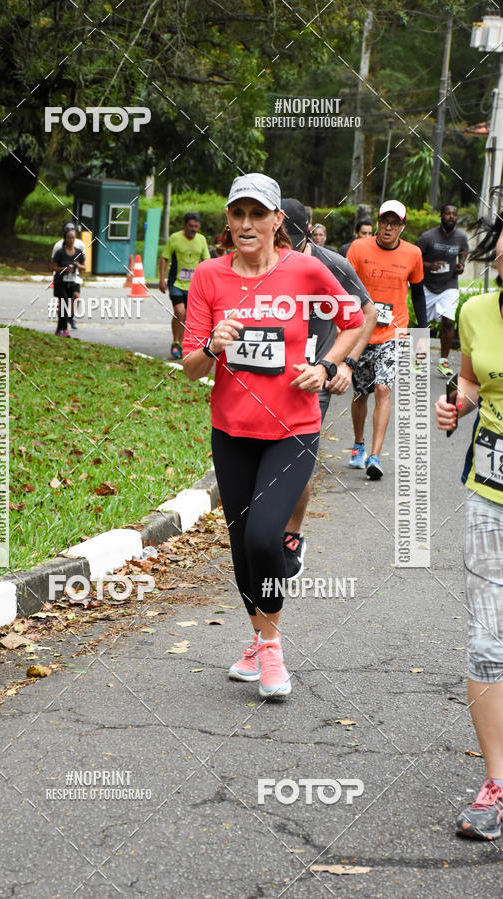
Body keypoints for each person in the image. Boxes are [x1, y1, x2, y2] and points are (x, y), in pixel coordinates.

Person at [182, 173, 364, 698]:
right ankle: (260, 642)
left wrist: (329, 365)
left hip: (293, 428)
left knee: (265, 535)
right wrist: (214, 344)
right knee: (243, 547)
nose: (246, 224)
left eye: (257, 215)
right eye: (237, 214)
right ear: (228, 220)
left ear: (276, 221)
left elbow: (356, 319)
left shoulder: (306, 269)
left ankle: (272, 647)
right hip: (232, 431)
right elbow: (192, 368)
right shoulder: (209, 278)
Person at [434, 210, 503, 840]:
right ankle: (496, 783)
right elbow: (471, 379)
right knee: (487, 641)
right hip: (490, 490)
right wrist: (456, 402)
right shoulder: (477, 310)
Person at [280, 198, 377, 577]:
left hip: (316, 377)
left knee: (299, 457)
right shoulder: (265, 261)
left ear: (307, 233)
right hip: (269, 376)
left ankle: (292, 534)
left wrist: (347, 364)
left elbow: (366, 314)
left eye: (287, 237)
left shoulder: (333, 265)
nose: (279, 246)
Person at [346, 199, 427, 479]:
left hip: (395, 330)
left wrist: (422, 334)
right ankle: (359, 444)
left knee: (383, 389)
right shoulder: (358, 249)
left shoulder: (413, 254)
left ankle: (375, 456)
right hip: (362, 330)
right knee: (361, 393)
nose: (389, 227)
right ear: (378, 223)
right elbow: (345, 287)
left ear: (402, 227)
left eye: (395, 223)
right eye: (385, 221)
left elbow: (417, 292)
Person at [416, 204, 469, 378]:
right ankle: (418, 359)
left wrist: (461, 263)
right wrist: (429, 265)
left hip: (449, 285)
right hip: (428, 286)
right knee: (422, 324)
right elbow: (414, 258)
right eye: (448, 213)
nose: (451, 217)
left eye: (454, 214)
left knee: (448, 321)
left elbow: (464, 249)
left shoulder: (460, 236)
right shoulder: (427, 237)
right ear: (441, 215)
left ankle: (443, 361)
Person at [159, 212, 210, 359]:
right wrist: (162, 279)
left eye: (196, 226)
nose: (193, 229)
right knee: (180, 312)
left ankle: (181, 343)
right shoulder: (175, 238)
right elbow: (164, 259)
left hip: (194, 285)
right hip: (176, 282)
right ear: (184, 225)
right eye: (191, 226)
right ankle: (176, 342)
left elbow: (206, 262)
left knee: (187, 316)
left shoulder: (201, 240)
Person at [50, 225, 85, 337]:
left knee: (76, 297)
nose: (71, 240)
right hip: (61, 280)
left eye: (73, 238)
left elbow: (84, 267)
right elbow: (53, 266)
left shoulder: (79, 249)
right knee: (63, 303)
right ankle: (63, 329)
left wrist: (78, 265)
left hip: (74, 280)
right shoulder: (59, 250)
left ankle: (68, 319)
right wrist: (64, 269)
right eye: (69, 238)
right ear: (65, 238)